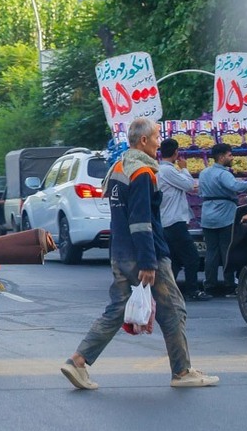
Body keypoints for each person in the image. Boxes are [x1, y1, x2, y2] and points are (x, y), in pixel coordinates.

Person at [61, 117, 219, 390]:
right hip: (146, 254)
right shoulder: (143, 173)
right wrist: (148, 262)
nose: (160, 142)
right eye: (157, 137)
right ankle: (182, 372)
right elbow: (142, 221)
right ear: (143, 140)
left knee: (117, 310)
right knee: (174, 311)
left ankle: (78, 361)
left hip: (120, 251)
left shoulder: (120, 167)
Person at [198, 143, 247, 295]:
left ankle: (210, 284)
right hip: (225, 216)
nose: (232, 158)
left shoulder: (204, 173)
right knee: (227, 250)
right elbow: (236, 187)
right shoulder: (224, 174)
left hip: (207, 216)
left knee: (211, 252)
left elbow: (199, 192)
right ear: (221, 157)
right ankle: (229, 284)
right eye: (230, 155)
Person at [157, 138, 210, 301]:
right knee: (192, 258)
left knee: (176, 260)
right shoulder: (168, 170)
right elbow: (189, 185)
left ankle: (165, 291)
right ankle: (192, 290)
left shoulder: (162, 170)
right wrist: (185, 169)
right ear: (176, 153)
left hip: (168, 221)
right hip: (174, 222)